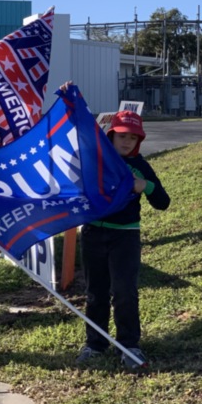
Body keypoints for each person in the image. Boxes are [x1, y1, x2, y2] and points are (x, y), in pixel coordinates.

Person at [76, 110, 170, 369]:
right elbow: (79, 138)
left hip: (125, 236)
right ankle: (95, 344)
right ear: (111, 136)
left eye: (132, 137)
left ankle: (129, 345)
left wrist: (145, 186)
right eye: (121, 136)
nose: (126, 142)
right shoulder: (98, 159)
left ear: (139, 140)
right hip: (93, 232)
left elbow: (163, 202)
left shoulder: (140, 165)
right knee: (95, 293)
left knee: (124, 292)